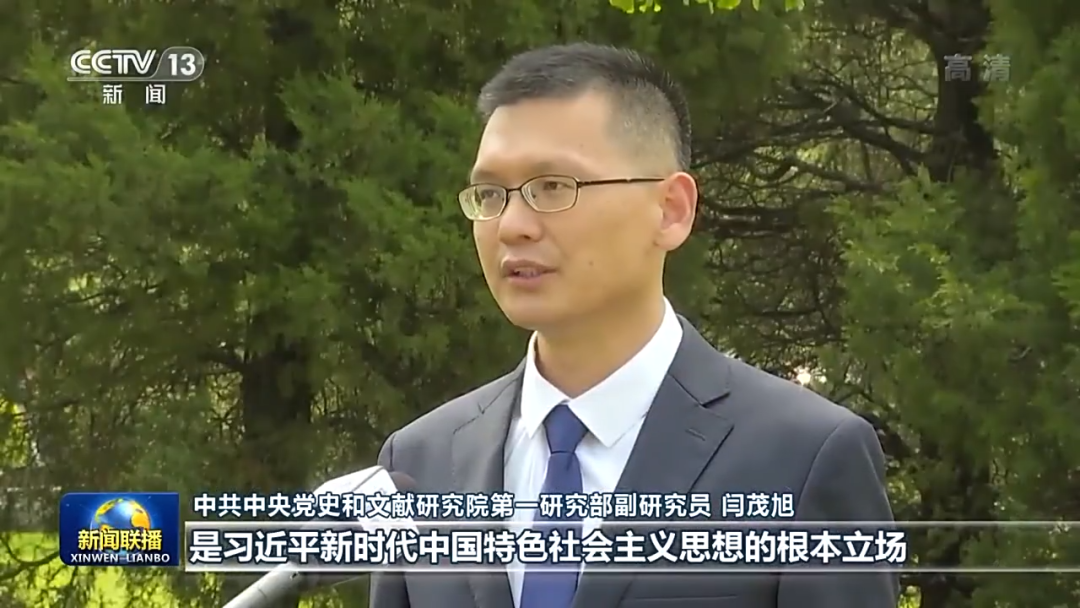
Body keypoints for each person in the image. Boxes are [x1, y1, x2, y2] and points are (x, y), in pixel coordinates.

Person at [370, 42, 898, 608]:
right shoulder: (419, 463)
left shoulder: (804, 456)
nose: (512, 225)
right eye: (491, 194)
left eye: (553, 187)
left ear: (671, 210)